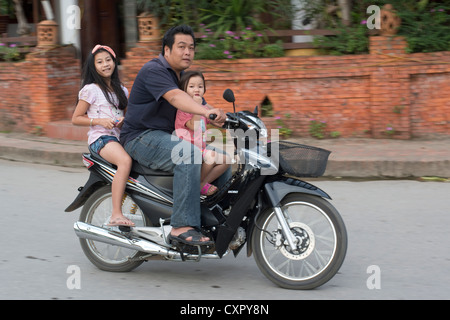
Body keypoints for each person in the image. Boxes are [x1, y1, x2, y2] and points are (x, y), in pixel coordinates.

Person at [120, 25, 228, 246]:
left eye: (191, 47)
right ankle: (181, 227)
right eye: (181, 47)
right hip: (140, 137)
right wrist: (207, 112)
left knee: (221, 155)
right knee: (187, 154)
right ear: (166, 50)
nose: (188, 51)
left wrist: (229, 117)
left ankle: (213, 216)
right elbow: (177, 98)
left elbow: (201, 104)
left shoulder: (180, 77)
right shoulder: (155, 70)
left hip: (162, 137)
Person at [72, 44, 134, 227]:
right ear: (94, 66)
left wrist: (123, 120)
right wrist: (99, 121)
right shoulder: (91, 89)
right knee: (125, 161)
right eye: (100, 62)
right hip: (101, 139)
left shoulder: (122, 90)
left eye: (108, 60)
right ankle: (115, 214)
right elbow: (76, 118)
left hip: (118, 138)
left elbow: (128, 115)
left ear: (114, 62)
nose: (105, 64)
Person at [175, 71, 230, 196]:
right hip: (188, 149)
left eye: (200, 86)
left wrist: (227, 119)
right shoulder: (183, 109)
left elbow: (217, 121)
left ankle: (201, 183)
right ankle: (197, 184)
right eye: (192, 86)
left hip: (201, 148)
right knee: (211, 156)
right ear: (183, 89)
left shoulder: (204, 108)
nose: (197, 90)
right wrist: (198, 108)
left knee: (227, 160)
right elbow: (193, 126)